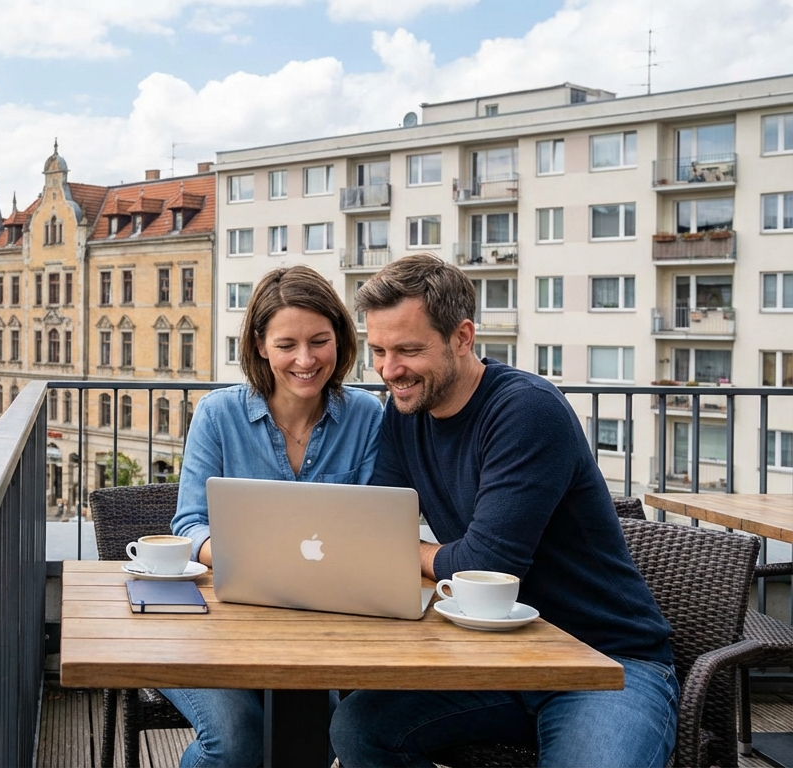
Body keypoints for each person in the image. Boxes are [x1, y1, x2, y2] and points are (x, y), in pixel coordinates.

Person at [330, 254, 676, 767]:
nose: (388, 370)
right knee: (359, 729)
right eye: (378, 351)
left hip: (602, 661)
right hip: (496, 658)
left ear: (463, 337)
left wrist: (411, 551)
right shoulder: (407, 411)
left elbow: (487, 567)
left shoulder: (526, 410)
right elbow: (376, 529)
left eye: (407, 350)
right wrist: (408, 551)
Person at [166, 265, 384, 768]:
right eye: (287, 344)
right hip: (214, 627)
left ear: (340, 341)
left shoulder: (368, 417)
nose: (305, 360)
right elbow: (189, 525)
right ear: (261, 345)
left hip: (319, 631)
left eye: (320, 341)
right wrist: (253, 561)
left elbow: (377, 528)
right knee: (236, 739)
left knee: (318, 734)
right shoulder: (218, 416)